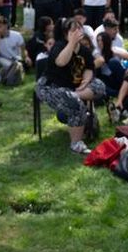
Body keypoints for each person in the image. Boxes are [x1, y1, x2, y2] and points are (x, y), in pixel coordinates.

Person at [35, 17, 108, 155]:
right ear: (65, 33)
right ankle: (76, 143)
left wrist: (85, 81)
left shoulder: (84, 50)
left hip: (74, 87)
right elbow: (61, 62)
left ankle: (74, 96)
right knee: (75, 104)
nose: (77, 32)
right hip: (50, 87)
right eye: (73, 30)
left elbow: (89, 68)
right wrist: (71, 43)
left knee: (99, 86)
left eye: (79, 28)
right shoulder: (59, 46)